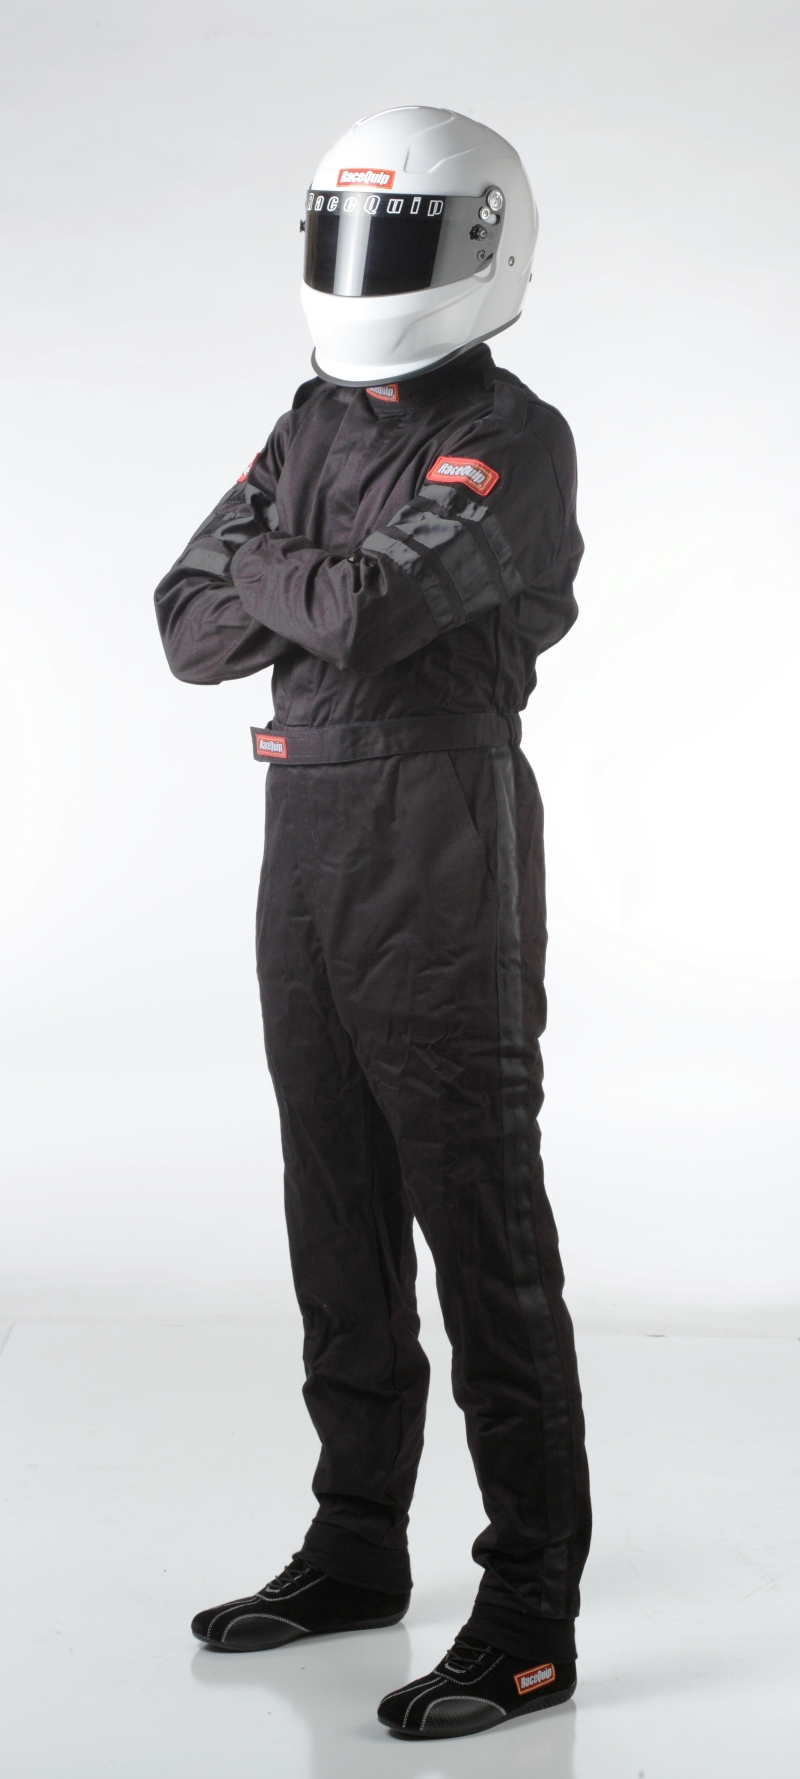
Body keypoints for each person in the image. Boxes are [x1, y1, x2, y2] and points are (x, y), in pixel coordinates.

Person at [154, 105, 591, 1742]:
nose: (363, 273)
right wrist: (310, 579)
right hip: (307, 834)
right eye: (345, 239)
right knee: (334, 1210)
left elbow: (365, 606)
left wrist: (283, 567)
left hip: (438, 835)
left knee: (481, 1227)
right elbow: (183, 625)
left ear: (486, 244)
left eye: (398, 241)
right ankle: (355, 1547)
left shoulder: (514, 436)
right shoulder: (313, 416)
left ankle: (529, 1612)